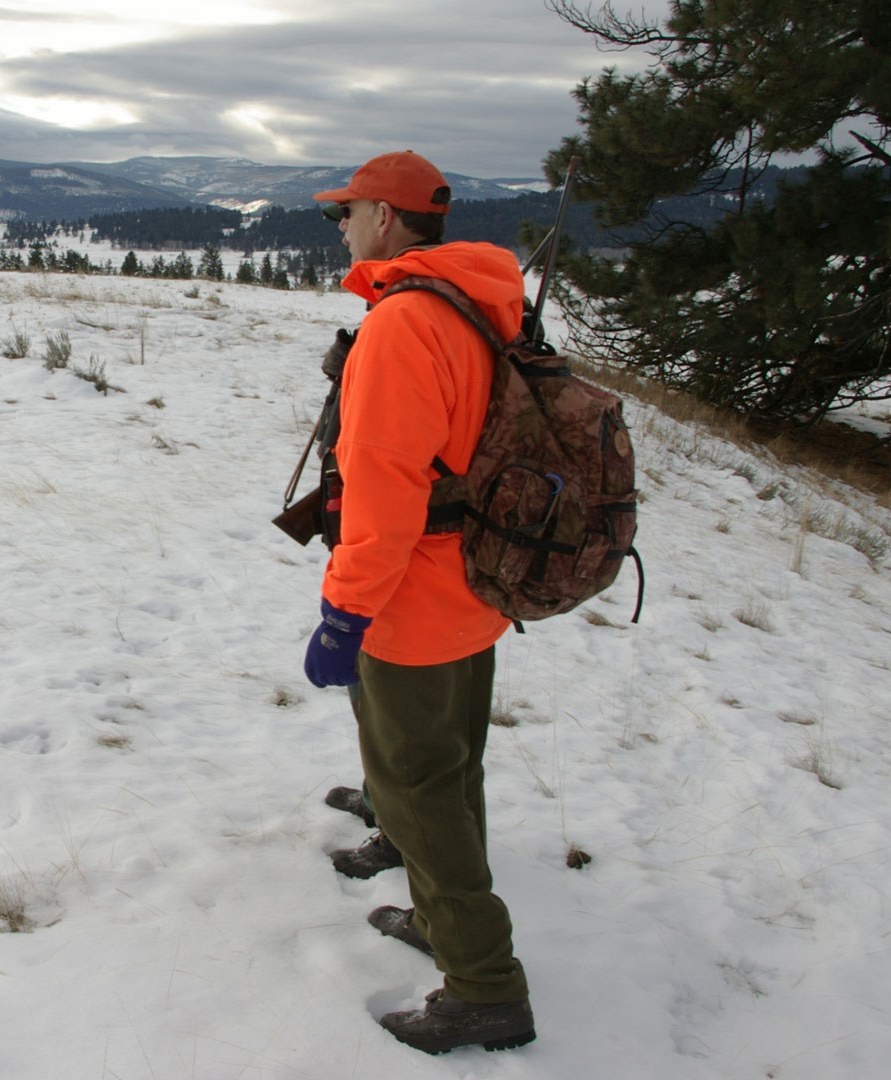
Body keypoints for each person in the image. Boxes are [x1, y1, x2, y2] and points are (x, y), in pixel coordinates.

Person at [301, 150, 536, 1055]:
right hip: (468, 586)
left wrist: (344, 614)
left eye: (346, 212)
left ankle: (485, 987)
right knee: (449, 770)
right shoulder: (473, 303)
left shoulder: (406, 324)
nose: (343, 227)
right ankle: (444, 927)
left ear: (389, 219)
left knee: (418, 788)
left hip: (413, 598)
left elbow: (384, 493)